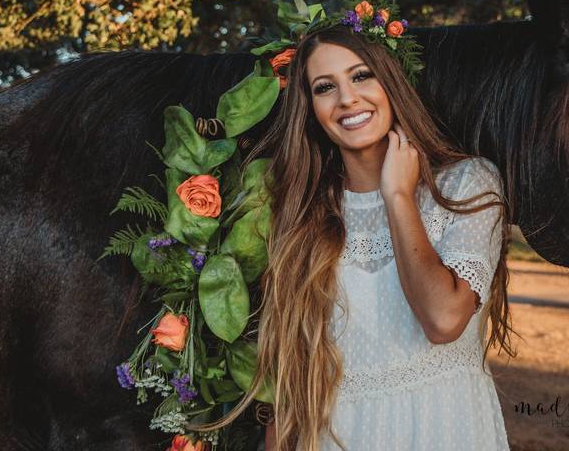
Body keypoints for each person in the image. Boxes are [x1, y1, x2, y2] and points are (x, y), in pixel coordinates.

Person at [196, 22, 517, 451]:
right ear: (310, 108)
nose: (347, 98)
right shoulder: (299, 213)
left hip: (445, 425)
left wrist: (398, 195)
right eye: (325, 87)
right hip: (338, 436)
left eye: (361, 75)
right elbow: (288, 378)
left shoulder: (467, 184)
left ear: (393, 83)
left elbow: (443, 320)